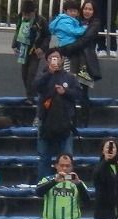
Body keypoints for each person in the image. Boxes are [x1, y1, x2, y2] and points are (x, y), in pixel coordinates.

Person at [34, 49, 81, 179]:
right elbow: (36, 87)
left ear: (62, 59)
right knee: (44, 157)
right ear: (47, 60)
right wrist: (49, 73)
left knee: (66, 157)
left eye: (57, 57)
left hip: (65, 122)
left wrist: (65, 92)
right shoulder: (43, 76)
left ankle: (67, 182)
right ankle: (44, 184)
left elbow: (78, 94)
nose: (54, 60)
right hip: (45, 122)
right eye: (51, 58)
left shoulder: (70, 77)